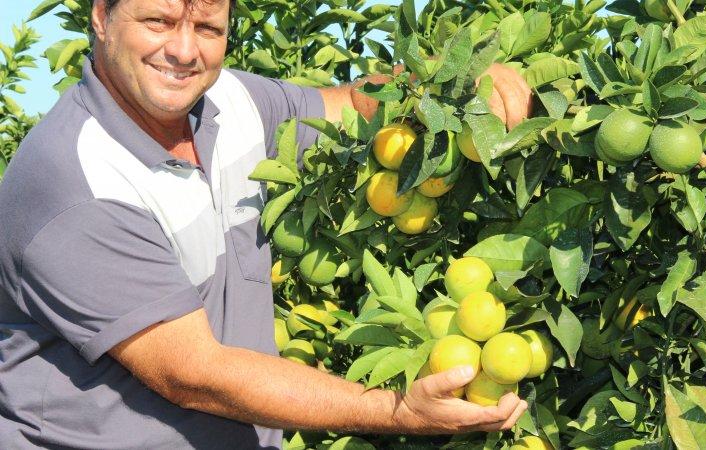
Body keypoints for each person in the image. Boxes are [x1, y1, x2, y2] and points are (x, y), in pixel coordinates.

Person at [0, 0, 534, 448]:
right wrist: (398, 412)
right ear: (100, 16)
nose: (185, 51)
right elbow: (194, 374)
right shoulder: (78, 178)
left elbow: (351, 104)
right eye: (158, 21)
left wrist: (453, 79)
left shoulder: (229, 102)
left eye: (208, 28)